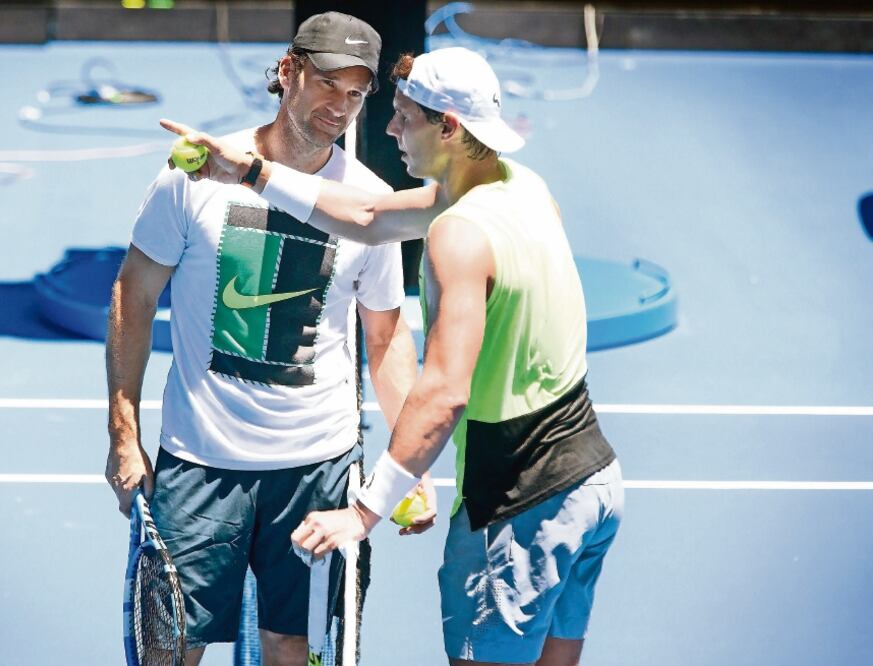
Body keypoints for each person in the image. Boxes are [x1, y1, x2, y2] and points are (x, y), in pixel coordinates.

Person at [161, 46, 624, 666]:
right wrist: (249, 172)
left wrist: (364, 507)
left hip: (519, 498)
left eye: (404, 116)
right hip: (592, 479)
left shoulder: (457, 235)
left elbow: (444, 390)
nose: (387, 127)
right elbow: (367, 216)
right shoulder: (520, 189)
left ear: (449, 128)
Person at [105, 13, 430, 666]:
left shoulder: (370, 204)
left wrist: (406, 464)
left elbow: (387, 341)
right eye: (327, 83)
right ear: (288, 71)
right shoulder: (190, 179)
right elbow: (132, 297)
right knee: (170, 650)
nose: (339, 106)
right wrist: (122, 434)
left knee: (295, 650)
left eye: (356, 93)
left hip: (316, 470)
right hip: (200, 464)